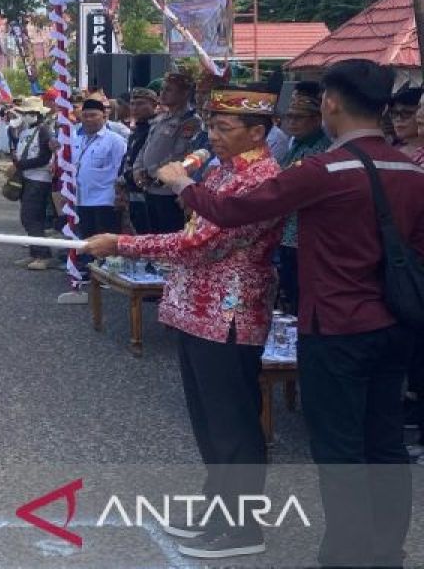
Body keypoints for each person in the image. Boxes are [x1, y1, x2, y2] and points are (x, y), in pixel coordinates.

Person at [157, 59, 423, 568]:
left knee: (340, 450)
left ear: (331, 103)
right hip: (396, 326)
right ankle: (387, 553)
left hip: (335, 326)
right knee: (385, 446)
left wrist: (183, 186)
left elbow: (235, 212)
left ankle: (346, 556)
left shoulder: (322, 171)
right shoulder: (411, 169)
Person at [85, 87, 283, 559]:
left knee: (233, 424)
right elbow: (194, 231)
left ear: (258, 132)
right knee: (210, 423)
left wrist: (123, 243)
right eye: (211, 126)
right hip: (198, 308)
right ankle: (219, 512)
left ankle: (242, 529)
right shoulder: (225, 170)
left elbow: (202, 245)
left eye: (224, 128)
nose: (212, 136)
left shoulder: (260, 178)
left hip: (229, 312)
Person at [276, 84, 330, 316]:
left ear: (317, 119)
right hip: (287, 232)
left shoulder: (322, 150)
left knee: (303, 295)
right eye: (289, 117)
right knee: (289, 289)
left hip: (306, 235)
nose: (292, 122)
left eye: (300, 118)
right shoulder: (295, 146)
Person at [137, 72, 203, 234]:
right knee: (152, 235)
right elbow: (145, 147)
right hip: (149, 186)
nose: (163, 93)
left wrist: (153, 172)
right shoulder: (160, 118)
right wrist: (137, 169)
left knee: (170, 236)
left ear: (184, 93)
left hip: (169, 189)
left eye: (169, 90)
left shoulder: (190, 121)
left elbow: (180, 154)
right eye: (162, 89)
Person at [71, 98, 127, 284]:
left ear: (104, 116)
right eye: (85, 116)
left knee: (104, 238)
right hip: (82, 197)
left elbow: (121, 170)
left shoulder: (115, 141)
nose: (88, 119)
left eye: (93, 115)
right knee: (87, 237)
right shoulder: (77, 139)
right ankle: (89, 270)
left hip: (105, 198)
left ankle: (107, 274)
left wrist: (120, 196)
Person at [10, 97, 54, 269]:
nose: (25, 116)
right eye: (24, 113)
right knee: (28, 218)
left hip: (39, 178)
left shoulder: (45, 131)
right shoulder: (25, 131)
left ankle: (43, 255)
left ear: (37, 114)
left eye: (28, 113)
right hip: (26, 177)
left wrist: (22, 164)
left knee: (31, 217)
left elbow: (45, 157)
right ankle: (35, 253)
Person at [121, 88, 159, 235]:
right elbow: (128, 155)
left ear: (155, 104)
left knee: (150, 232)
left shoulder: (155, 127)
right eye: (132, 104)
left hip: (148, 188)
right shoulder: (138, 129)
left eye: (141, 104)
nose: (135, 108)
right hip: (131, 188)